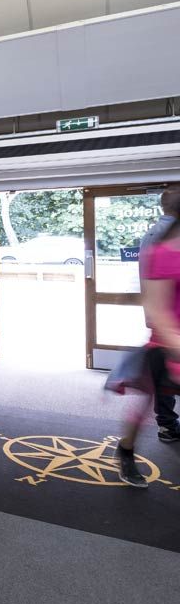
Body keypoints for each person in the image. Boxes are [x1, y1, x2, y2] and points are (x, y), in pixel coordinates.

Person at [117, 189, 180, 486]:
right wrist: (171, 340)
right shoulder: (161, 249)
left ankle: (165, 426)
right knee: (147, 402)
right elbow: (156, 303)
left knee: (154, 399)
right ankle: (126, 449)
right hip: (167, 341)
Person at [139, 186, 180, 442]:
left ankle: (166, 425)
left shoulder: (150, 235)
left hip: (160, 317)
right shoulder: (167, 238)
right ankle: (165, 425)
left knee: (162, 380)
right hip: (170, 321)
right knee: (165, 376)